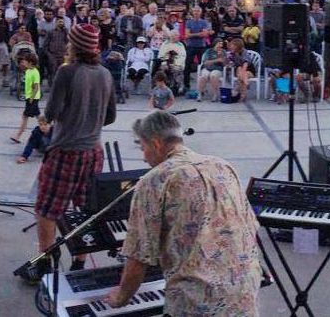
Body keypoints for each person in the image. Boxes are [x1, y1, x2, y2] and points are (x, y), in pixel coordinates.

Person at [104, 110, 262, 315]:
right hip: (244, 294)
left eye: (143, 148)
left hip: (197, 302)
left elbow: (138, 256)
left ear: (156, 143)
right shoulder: (223, 166)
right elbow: (250, 226)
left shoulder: (155, 180)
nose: (143, 158)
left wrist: (121, 297)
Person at [24, 24, 116, 283]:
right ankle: (79, 262)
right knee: (84, 208)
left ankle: (44, 263)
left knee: (46, 208)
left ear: (74, 46)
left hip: (65, 152)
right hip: (94, 152)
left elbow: (52, 112)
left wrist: (45, 118)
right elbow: (110, 116)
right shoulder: (106, 74)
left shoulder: (66, 72)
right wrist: (89, 119)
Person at [11, 50, 41, 144]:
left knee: (25, 116)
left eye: (25, 61)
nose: (23, 63)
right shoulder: (28, 70)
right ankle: (48, 128)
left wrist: (31, 98)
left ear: (30, 63)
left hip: (33, 98)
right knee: (38, 116)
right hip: (30, 97)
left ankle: (18, 135)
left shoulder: (35, 72)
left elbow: (36, 87)